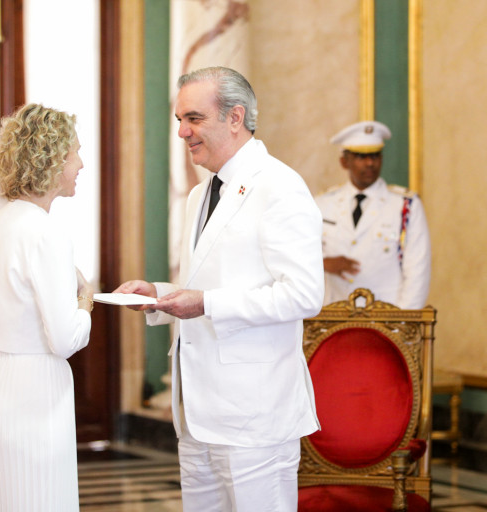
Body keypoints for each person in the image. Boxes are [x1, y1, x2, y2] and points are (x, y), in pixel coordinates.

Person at [114, 67, 324, 512]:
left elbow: (304, 294)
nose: (182, 132)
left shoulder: (280, 186)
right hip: (197, 413)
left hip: (254, 414)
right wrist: (158, 294)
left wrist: (205, 303)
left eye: (194, 118)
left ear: (235, 117)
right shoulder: (200, 194)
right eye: (180, 120)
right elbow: (210, 285)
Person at [0, 103, 93, 511]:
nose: (81, 164)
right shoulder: (44, 231)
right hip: (30, 397)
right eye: (75, 152)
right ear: (50, 158)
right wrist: (85, 302)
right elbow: (65, 339)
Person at [315, 120, 431, 309]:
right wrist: (322, 263)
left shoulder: (405, 206)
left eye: (375, 156)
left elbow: (417, 271)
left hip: (386, 317)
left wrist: (402, 322)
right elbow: (297, 259)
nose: (370, 163)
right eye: (361, 156)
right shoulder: (322, 204)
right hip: (333, 315)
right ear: (344, 161)